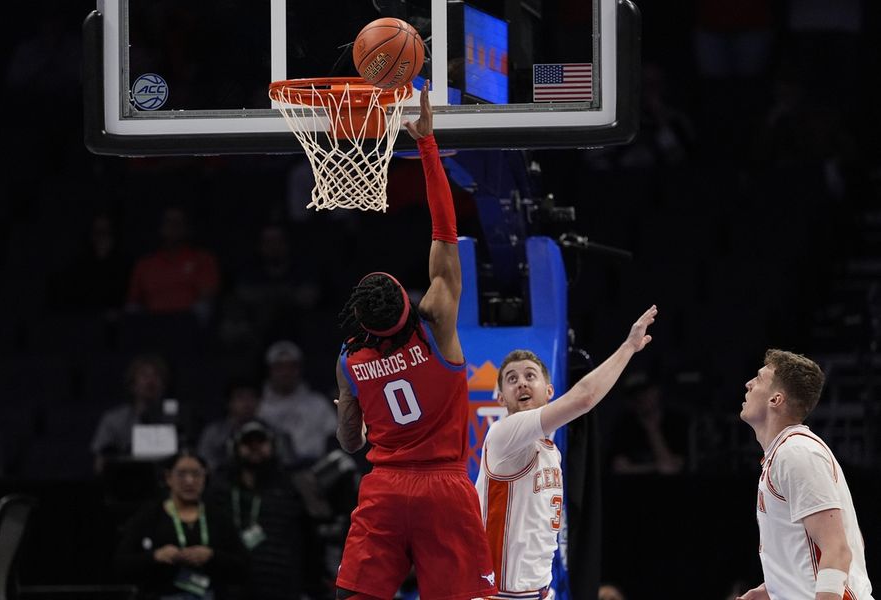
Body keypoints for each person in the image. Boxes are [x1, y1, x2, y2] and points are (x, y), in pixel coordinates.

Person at [334, 80, 497, 600]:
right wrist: (427, 145)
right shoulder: (436, 319)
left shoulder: (349, 358)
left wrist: (350, 406)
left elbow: (350, 442)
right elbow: (444, 233)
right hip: (444, 487)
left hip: (384, 489)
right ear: (407, 301)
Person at [475, 306, 657, 597]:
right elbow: (584, 398)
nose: (520, 382)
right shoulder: (504, 434)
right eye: (511, 378)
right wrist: (628, 347)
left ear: (548, 391)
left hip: (540, 592)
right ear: (500, 398)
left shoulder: (550, 448)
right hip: (501, 595)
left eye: (529, 375)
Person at [736, 349, 874, 600]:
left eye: (758, 378)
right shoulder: (783, 455)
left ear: (775, 400)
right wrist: (773, 589)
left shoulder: (797, 452)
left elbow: (838, 550)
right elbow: (850, 541)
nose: (748, 384)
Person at [208, 420, 326, 599]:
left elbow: (310, 542)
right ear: (235, 448)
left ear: (273, 446)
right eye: (248, 443)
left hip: (282, 587)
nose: (255, 448)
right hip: (232, 588)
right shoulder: (221, 490)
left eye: (261, 442)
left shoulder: (291, 489)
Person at [115, 450, 248, 600]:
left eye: (196, 474)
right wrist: (155, 557)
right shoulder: (148, 516)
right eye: (181, 474)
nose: (189, 481)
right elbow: (121, 565)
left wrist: (212, 556)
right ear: (168, 478)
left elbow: (243, 566)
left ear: (205, 477)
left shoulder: (218, 517)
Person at [90, 353, 188, 474]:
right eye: (144, 375)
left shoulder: (178, 419)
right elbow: (100, 464)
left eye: (157, 375)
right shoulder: (113, 420)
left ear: (165, 384)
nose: (151, 380)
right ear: (132, 384)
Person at [126, 206, 221, 321]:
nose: (173, 226)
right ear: (161, 227)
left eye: (178, 222)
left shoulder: (203, 259)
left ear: (187, 228)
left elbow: (207, 297)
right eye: (169, 222)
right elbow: (134, 302)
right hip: (153, 326)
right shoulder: (144, 264)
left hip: (187, 325)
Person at [257, 340, 336, 468]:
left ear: (299, 369)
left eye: (291, 367)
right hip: (272, 471)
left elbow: (334, 438)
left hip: (316, 470)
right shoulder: (258, 406)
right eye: (280, 367)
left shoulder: (318, 403)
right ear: (270, 370)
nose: (285, 373)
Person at [608, 371, 686, 475]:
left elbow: (672, 468)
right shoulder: (624, 425)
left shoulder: (677, 422)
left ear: (657, 391)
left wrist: (653, 430)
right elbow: (619, 467)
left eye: (645, 391)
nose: (641, 398)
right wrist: (656, 467)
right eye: (635, 394)